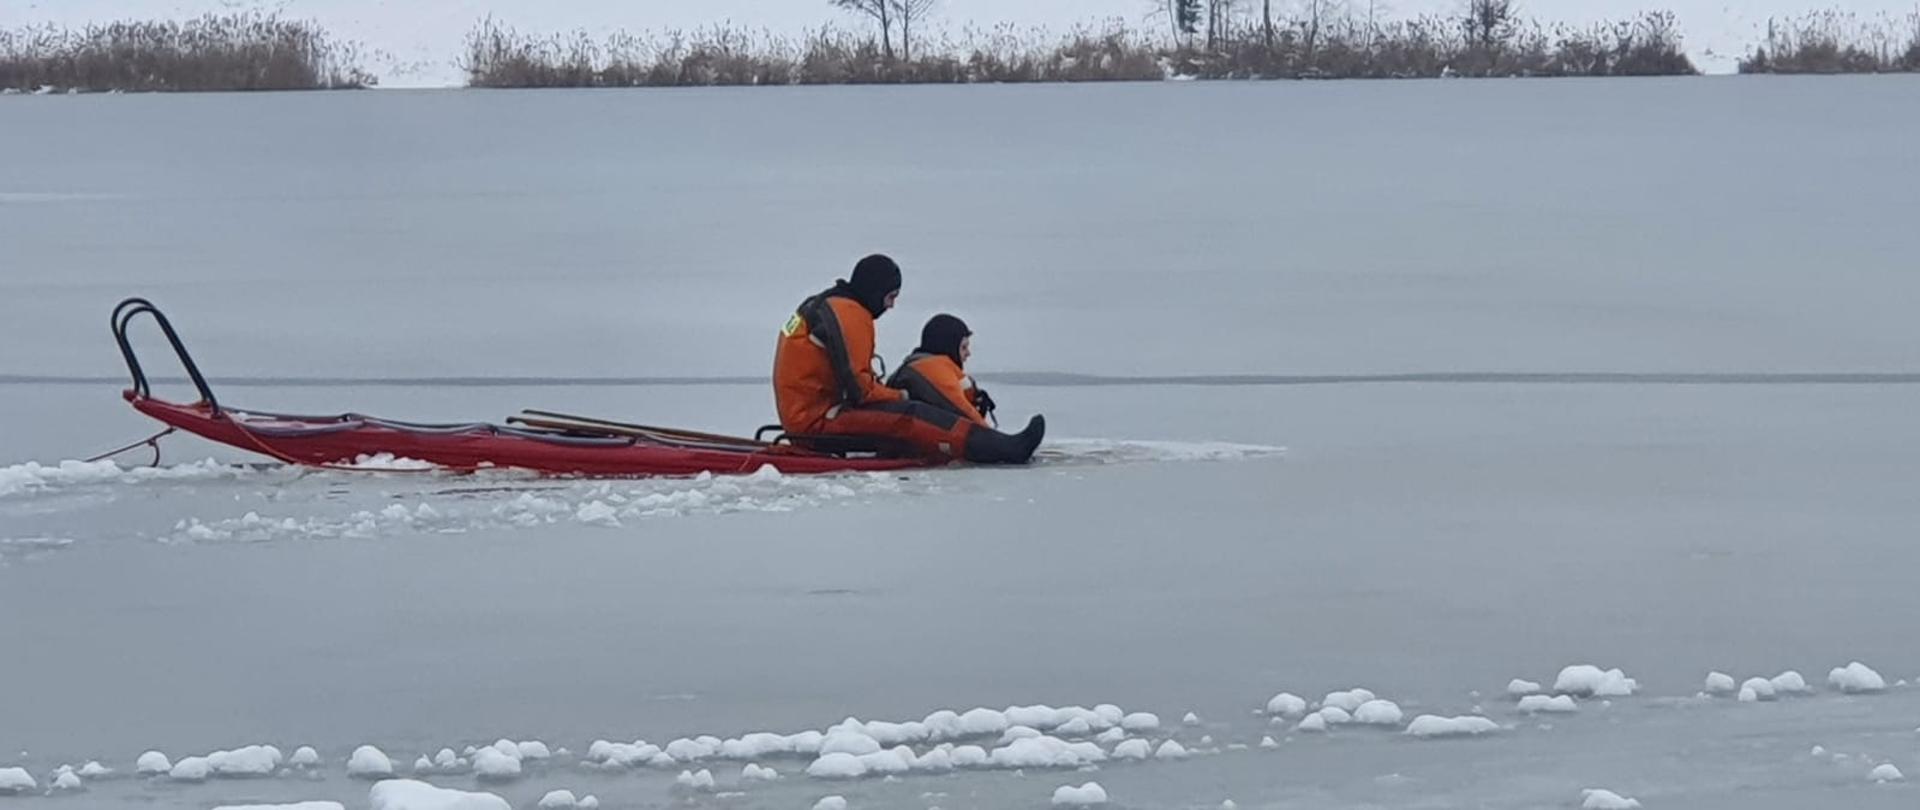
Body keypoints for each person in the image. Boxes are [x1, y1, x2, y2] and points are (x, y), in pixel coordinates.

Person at [771, 256, 1042, 464]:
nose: (891, 306)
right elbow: (860, 391)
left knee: (901, 410)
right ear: (875, 291)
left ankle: (983, 442)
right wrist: (901, 396)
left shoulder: (823, 304)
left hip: (805, 413)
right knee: (911, 417)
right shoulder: (850, 314)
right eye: (890, 297)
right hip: (818, 420)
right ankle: (1000, 450)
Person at [888, 313, 1046, 463]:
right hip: (909, 444)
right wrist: (1000, 443)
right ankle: (1012, 449)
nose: (968, 353)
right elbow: (960, 408)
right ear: (948, 346)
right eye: (963, 347)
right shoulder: (931, 368)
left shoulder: (920, 366)